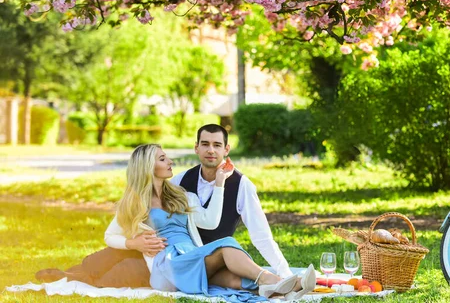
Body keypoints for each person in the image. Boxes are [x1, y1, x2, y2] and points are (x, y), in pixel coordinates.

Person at [36, 124, 293, 288]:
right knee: (101, 263)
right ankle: (68, 275)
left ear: (226, 149)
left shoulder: (188, 191)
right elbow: (113, 233)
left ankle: (278, 283)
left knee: (120, 273)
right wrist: (134, 243)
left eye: (217, 145)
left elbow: (257, 234)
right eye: (205, 144)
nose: (211, 151)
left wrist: (220, 184)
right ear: (197, 147)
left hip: (196, 255)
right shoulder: (180, 182)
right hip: (163, 257)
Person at [101, 143, 315, 300]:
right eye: (163, 158)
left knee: (230, 278)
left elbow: (211, 221)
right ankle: (272, 279)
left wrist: (220, 182)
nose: (170, 162)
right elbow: (109, 236)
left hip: (192, 257)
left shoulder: (180, 196)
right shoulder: (135, 202)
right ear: (147, 166)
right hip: (167, 265)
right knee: (227, 245)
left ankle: (285, 286)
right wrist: (133, 244)